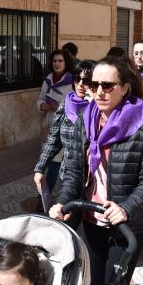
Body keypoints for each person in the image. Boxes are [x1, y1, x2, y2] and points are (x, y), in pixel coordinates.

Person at [49, 55, 143, 285]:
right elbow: (74, 171)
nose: (99, 92)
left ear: (124, 88)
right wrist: (62, 201)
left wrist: (126, 208)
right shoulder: (86, 119)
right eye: (94, 85)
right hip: (92, 218)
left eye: (108, 86)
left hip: (127, 223)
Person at [33, 60, 96, 203]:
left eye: (86, 80)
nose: (80, 84)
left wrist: (94, 106)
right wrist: (40, 168)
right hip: (68, 176)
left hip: (94, 180)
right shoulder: (66, 104)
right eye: (77, 78)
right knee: (66, 220)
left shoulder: (101, 109)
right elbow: (53, 140)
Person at [37, 49, 74, 187]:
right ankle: (46, 195)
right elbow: (39, 100)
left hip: (64, 126)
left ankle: (45, 195)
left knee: (55, 161)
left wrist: (58, 107)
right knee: (46, 159)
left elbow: (75, 107)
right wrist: (43, 106)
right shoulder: (47, 80)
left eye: (60, 61)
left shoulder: (72, 82)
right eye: (54, 61)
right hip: (47, 125)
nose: (57, 64)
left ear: (65, 63)